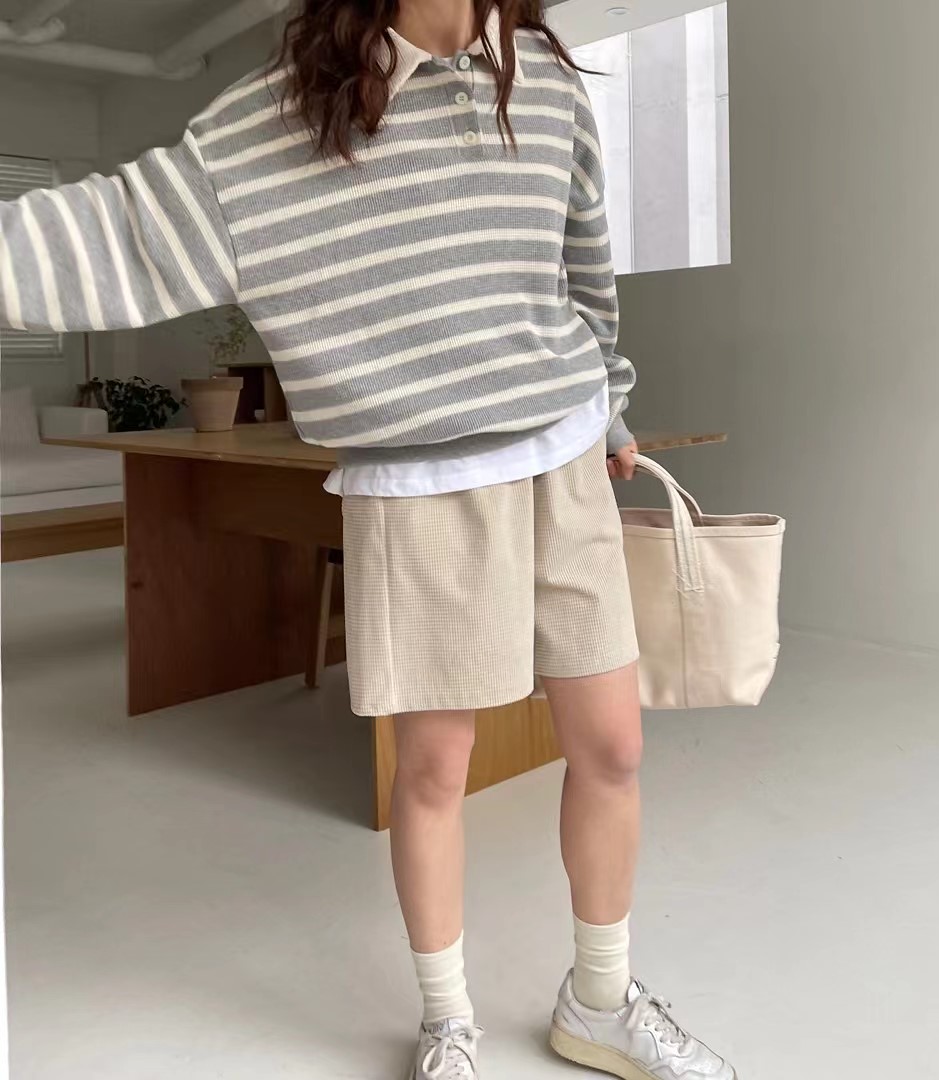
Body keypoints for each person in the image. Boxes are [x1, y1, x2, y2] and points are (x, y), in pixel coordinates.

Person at [0, 2, 737, 1077]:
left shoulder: (544, 82)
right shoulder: (281, 118)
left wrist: (612, 409)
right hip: (417, 487)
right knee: (434, 770)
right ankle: (447, 1023)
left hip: (567, 462)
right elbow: (109, 234)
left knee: (614, 746)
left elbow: (582, 275)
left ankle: (601, 1001)